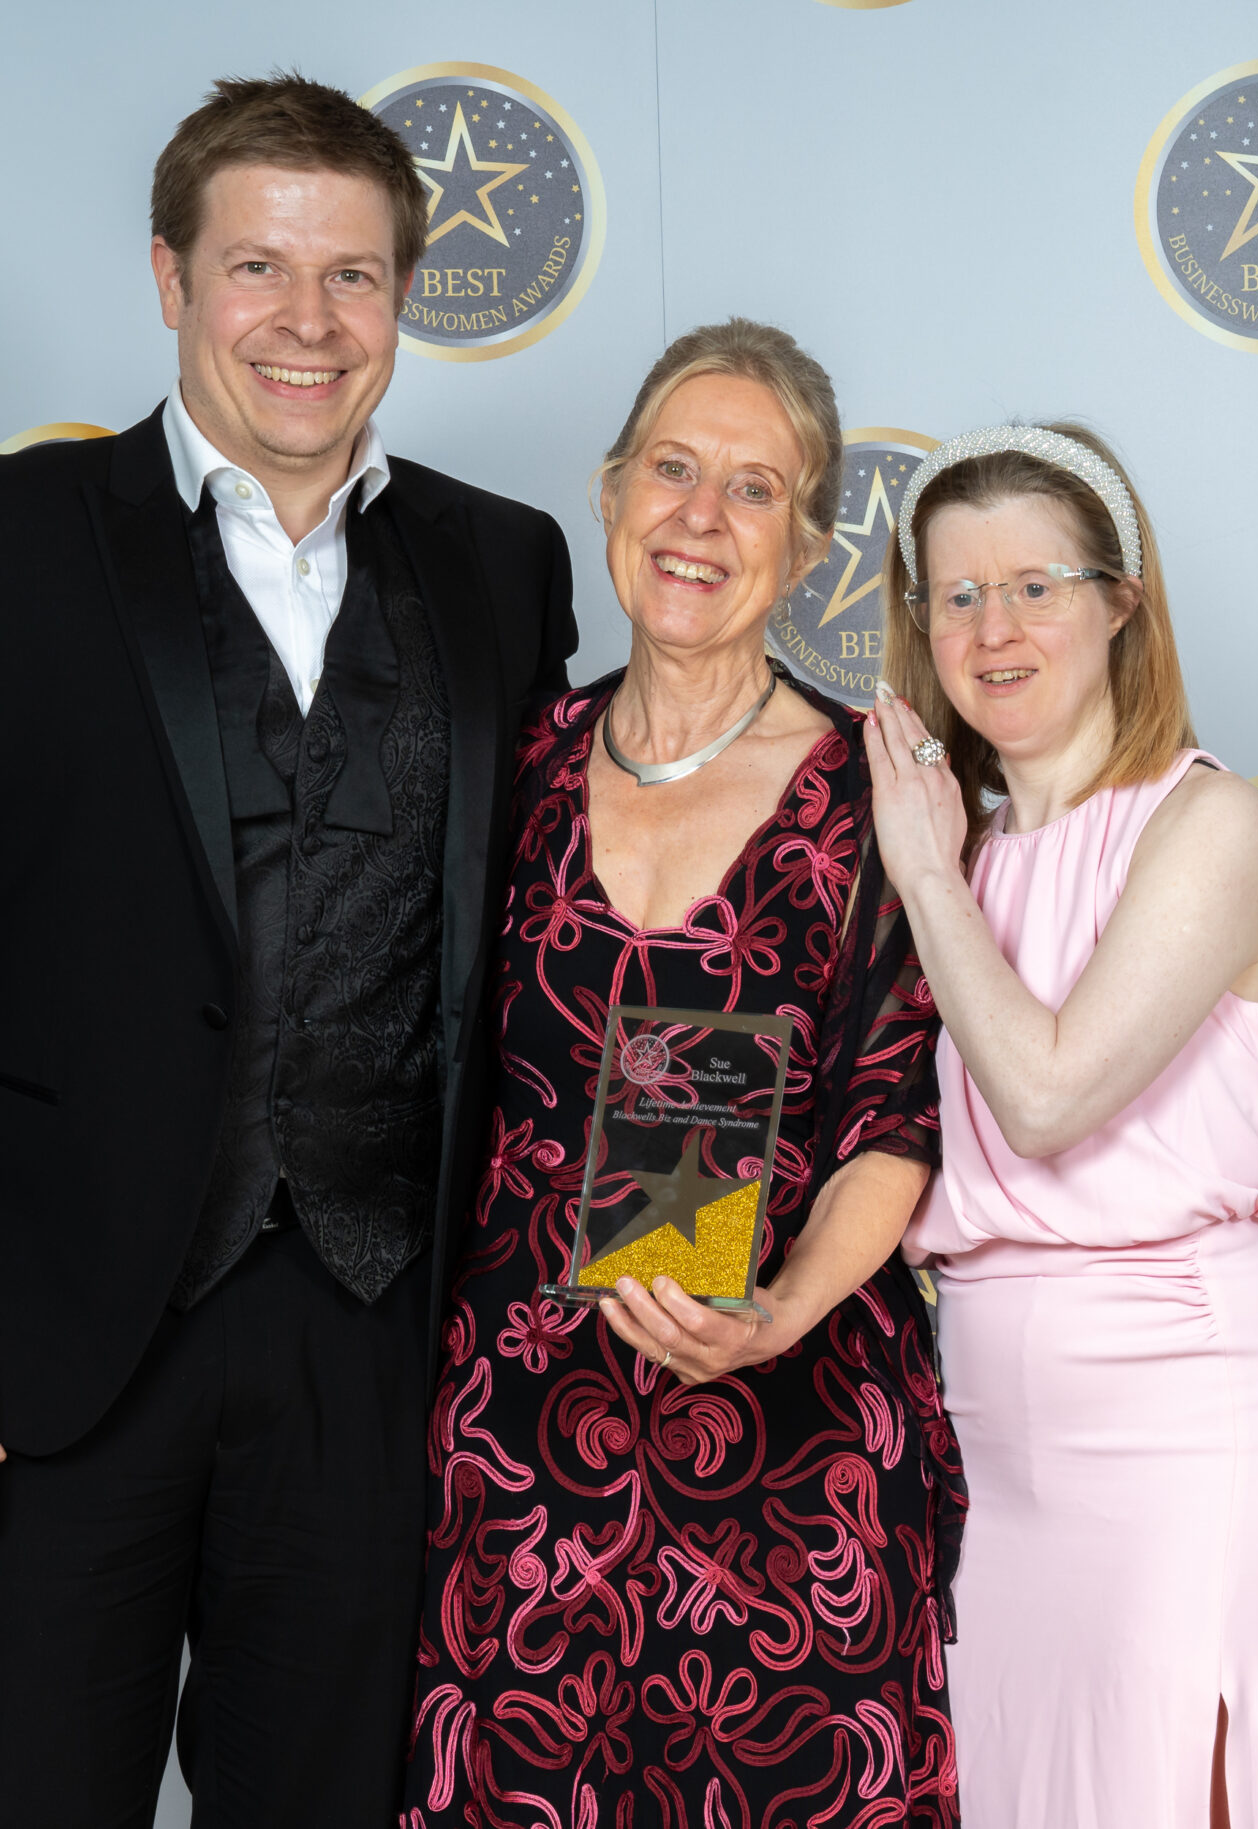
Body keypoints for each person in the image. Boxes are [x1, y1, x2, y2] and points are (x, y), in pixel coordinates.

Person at [0, 75, 575, 1828]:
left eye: (355, 277)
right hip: (44, 1351)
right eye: (259, 269)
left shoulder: (503, 567)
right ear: (169, 276)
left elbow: (593, 924)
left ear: (403, 297)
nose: (308, 322)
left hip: (378, 1356)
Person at [403, 321, 964, 1828]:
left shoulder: (875, 791)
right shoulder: (506, 765)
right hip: (515, 1453)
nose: (701, 517)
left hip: (794, 1448)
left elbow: (894, 1116)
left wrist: (780, 1306)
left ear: (810, 547)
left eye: (756, 488)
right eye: (672, 468)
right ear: (607, 493)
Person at [862, 424, 1258, 1828]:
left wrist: (923, 871)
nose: (991, 628)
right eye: (954, 595)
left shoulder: (1207, 825)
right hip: (998, 1439)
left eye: (1035, 585)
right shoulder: (963, 844)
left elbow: (1050, 1093)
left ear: (1122, 603)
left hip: (1190, 1413)